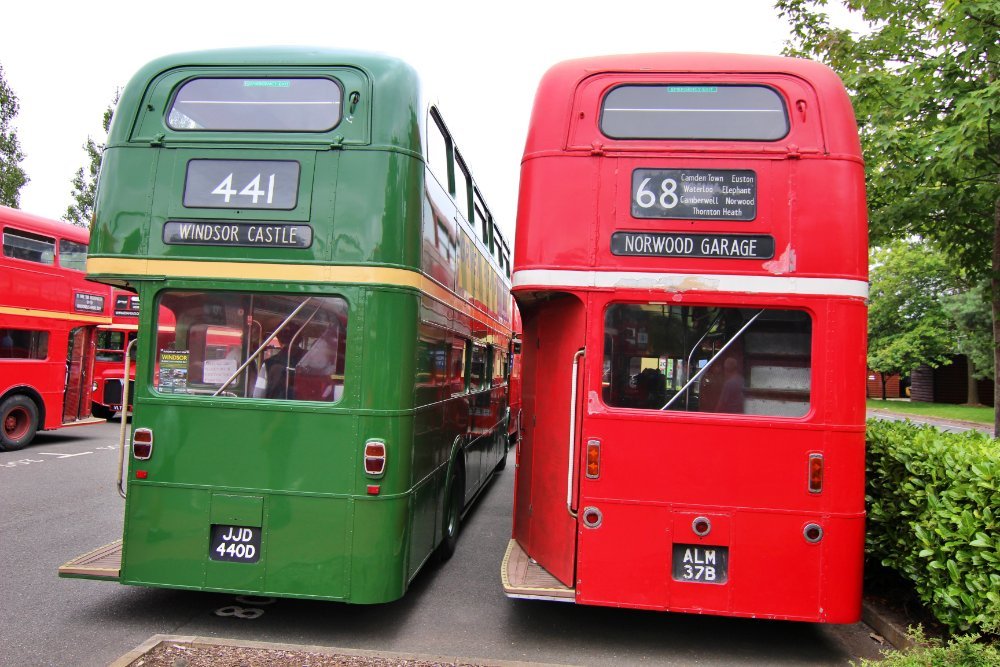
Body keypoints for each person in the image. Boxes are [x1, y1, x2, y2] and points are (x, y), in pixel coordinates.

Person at [253, 327, 298, 399]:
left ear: (279, 340)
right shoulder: (308, 363)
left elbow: (258, 395)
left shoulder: (268, 364)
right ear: (299, 339)